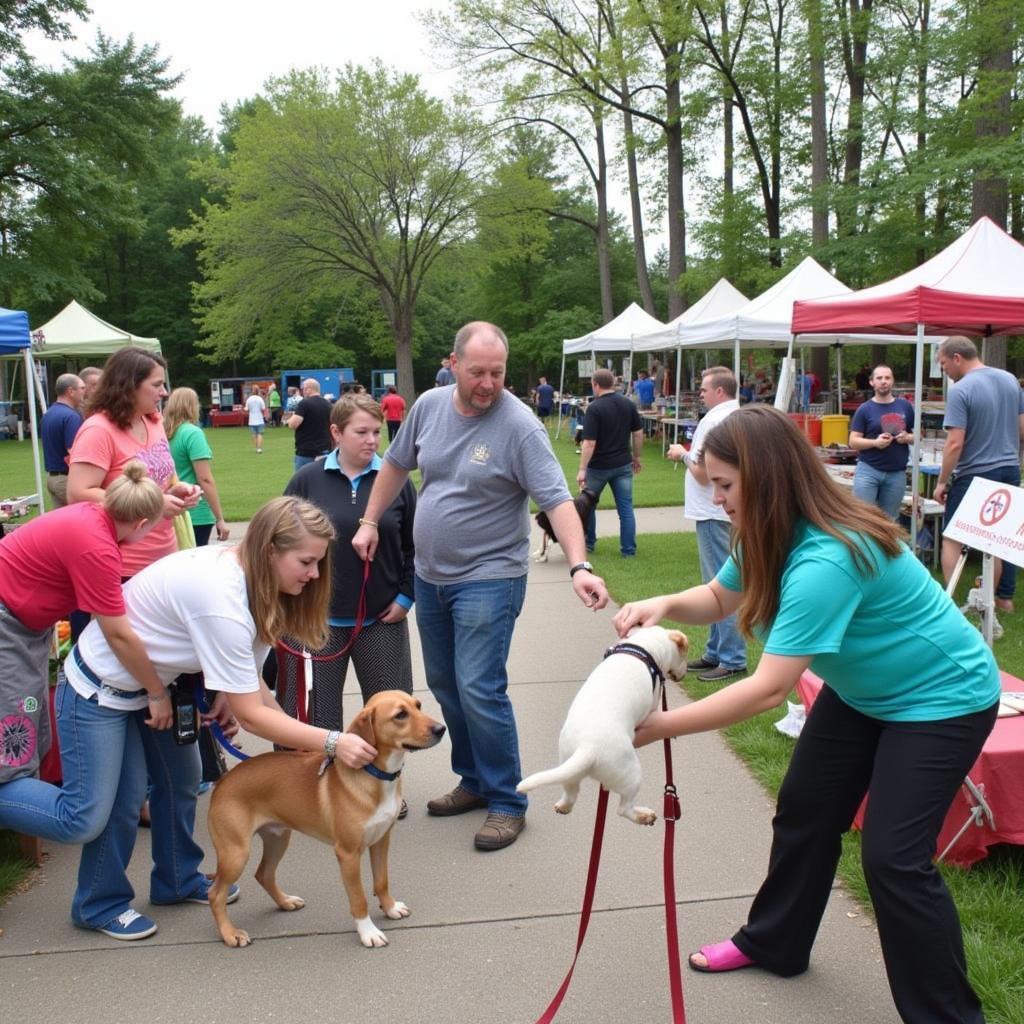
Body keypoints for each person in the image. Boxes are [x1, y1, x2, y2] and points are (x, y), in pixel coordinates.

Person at [614, 405, 998, 1024]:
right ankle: (776, 943)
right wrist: (659, 602)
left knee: (893, 860)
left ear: (764, 478)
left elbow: (768, 690)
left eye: (725, 485)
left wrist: (658, 727)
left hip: (941, 700)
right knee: (805, 810)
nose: (718, 498)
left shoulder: (827, 556)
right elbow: (719, 596)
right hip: (868, 693)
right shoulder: (773, 530)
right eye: (712, 484)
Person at [0, 496, 376, 940]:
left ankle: (177, 880)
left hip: (155, 687)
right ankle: (98, 904)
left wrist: (222, 693)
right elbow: (253, 717)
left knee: (182, 778)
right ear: (270, 551)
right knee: (95, 812)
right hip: (98, 687)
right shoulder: (222, 596)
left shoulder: (258, 586)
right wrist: (332, 742)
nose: (314, 574)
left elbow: (251, 684)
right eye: (306, 561)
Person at [352, 321, 609, 851]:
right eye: (477, 372)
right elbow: (397, 465)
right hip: (432, 577)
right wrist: (370, 520)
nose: (488, 383)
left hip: (490, 577)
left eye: (497, 372)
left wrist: (579, 565)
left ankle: (508, 800)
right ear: (453, 363)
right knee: (445, 686)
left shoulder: (519, 426)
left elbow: (558, 501)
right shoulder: (428, 405)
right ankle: (472, 779)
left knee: (478, 686)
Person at [0, 462, 167, 792]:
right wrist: (157, 691)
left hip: (26, 628)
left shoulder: (92, 517)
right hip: (9, 625)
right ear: (143, 523)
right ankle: (18, 815)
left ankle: (26, 827)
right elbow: (117, 634)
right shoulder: (98, 547)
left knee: (31, 722)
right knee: (15, 740)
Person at [282, 394, 415, 736]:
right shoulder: (307, 480)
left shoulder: (396, 480)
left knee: (390, 723)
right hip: (314, 621)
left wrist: (405, 597)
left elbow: (416, 546)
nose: (372, 440)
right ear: (336, 433)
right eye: (361, 432)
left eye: (377, 431)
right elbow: (278, 544)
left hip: (381, 619)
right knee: (313, 723)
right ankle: (317, 789)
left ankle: (381, 790)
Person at [67, 346, 199, 581]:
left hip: (164, 557)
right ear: (129, 385)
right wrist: (156, 504)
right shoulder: (98, 430)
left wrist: (176, 491)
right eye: (157, 385)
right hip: (122, 565)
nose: (165, 392)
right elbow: (78, 494)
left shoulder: (154, 422)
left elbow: (160, 480)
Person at [667, 366, 746, 681]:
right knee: (717, 582)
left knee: (719, 586)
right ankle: (716, 652)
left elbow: (702, 472)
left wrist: (681, 454)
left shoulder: (713, 421)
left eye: (703, 388)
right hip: (722, 512)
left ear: (720, 391)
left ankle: (731, 658)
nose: (700, 393)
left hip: (713, 513)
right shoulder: (735, 415)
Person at [935, 336, 1024, 612]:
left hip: (975, 472)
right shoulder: (1010, 380)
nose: (944, 370)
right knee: (996, 538)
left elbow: (954, 443)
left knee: (952, 537)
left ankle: (950, 601)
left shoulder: (961, 390)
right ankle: (997, 602)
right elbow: (1022, 429)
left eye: (943, 364)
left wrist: (940, 482)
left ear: (956, 358)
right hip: (1009, 468)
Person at [576, 367, 643, 558]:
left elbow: (589, 442)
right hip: (622, 464)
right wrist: (636, 457)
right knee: (625, 509)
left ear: (595, 385)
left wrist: (582, 469)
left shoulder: (594, 408)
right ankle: (628, 550)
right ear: (613, 383)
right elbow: (638, 433)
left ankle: (588, 543)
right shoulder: (628, 404)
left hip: (598, 466)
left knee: (587, 505)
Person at [163, 387, 230, 548]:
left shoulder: (163, 433)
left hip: (171, 508)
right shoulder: (193, 433)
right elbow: (204, 478)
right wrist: (219, 517)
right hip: (196, 510)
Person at [848, 365, 915, 520]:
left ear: (892, 381)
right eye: (879, 378)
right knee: (864, 518)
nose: (883, 381)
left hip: (896, 473)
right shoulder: (864, 409)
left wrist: (907, 438)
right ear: (872, 382)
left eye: (887, 378)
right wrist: (875, 443)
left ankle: (885, 545)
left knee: (890, 521)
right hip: (868, 471)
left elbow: (918, 435)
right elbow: (853, 441)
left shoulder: (905, 406)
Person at [40, 372, 85, 507]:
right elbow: (74, 451)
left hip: (52, 479)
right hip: (66, 479)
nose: (85, 392)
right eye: (82, 388)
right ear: (70, 391)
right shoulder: (71, 416)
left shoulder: (48, 414)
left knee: (62, 524)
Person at [284, 377, 332, 471]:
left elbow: (293, 424)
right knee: (322, 481)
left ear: (309, 389)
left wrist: (289, 420)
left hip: (306, 451)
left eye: (303, 389)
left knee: (303, 482)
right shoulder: (328, 404)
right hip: (325, 450)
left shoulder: (305, 403)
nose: (303, 392)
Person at [244, 386, 267, 454]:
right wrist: (263, 415)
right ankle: (259, 448)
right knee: (260, 434)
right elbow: (263, 409)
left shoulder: (249, 399)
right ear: (258, 391)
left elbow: (246, 409)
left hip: (251, 420)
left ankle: (257, 448)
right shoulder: (260, 399)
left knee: (253, 434)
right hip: (259, 419)